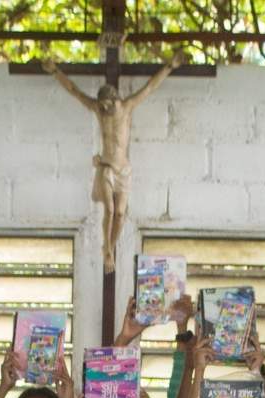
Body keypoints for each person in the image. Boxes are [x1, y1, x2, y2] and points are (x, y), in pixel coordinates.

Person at [42, 53, 184, 271]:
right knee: (109, 209)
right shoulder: (99, 110)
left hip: (123, 170)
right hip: (106, 167)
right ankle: (107, 252)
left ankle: (109, 247)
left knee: (120, 213)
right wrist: (55, 71)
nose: (105, 110)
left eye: (108, 105)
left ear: (115, 100)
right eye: (102, 106)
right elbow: (74, 91)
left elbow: (149, 88)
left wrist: (169, 67)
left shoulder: (126, 107)